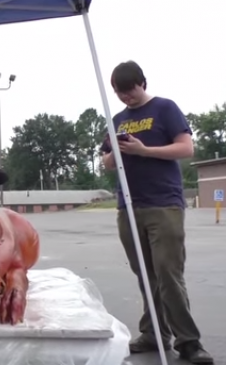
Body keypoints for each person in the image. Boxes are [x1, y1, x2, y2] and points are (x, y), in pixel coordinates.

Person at [101, 61, 212, 364]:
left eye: (130, 91)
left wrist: (145, 150)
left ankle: (189, 341)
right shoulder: (118, 120)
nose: (126, 98)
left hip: (163, 204)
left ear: (143, 83)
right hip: (128, 206)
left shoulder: (165, 108)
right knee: (145, 275)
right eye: (120, 93)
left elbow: (186, 148)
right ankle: (154, 333)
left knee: (168, 273)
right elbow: (106, 163)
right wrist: (117, 151)